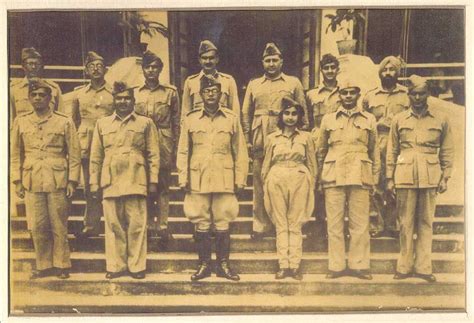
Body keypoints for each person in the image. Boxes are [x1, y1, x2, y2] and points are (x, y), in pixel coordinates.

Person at [177, 76, 249, 281]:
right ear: (200, 94)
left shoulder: (231, 118)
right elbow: (183, 150)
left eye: (214, 90)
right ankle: (204, 264)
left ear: (220, 94)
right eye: (206, 91)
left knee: (223, 221)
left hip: (224, 176)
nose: (210, 94)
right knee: (201, 221)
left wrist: (240, 178)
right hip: (197, 177)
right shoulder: (190, 119)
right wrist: (183, 177)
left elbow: (240, 150)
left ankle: (223, 265)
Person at [89, 81, 160, 279]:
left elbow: (153, 154)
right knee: (113, 226)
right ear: (113, 100)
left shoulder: (145, 123)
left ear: (133, 100)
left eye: (127, 98)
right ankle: (116, 266)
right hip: (110, 180)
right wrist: (94, 182)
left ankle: (137, 266)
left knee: (137, 225)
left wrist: (153, 180)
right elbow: (96, 156)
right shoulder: (102, 124)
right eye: (119, 98)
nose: (123, 102)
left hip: (136, 178)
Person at [11, 79, 81, 279]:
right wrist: (17, 181)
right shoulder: (21, 121)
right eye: (34, 95)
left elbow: (74, 154)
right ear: (29, 98)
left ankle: (61, 265)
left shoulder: (64, 121)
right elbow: (15, 154)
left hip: (57, 178)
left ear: (50, 99)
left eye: (42, 95)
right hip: (32, 179)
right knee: (37, 225)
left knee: (58, 224)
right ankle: (43, 265)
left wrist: (72, 181)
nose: (38, 98)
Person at [387, 75, 454, 283]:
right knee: (405, 223)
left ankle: (424, 267)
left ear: (428, 95)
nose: (417, 97)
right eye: (414, 94)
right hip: (405, 174)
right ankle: (404, 266)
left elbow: (448, 151)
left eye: (421, 93)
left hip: (430, 175)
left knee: (426, 222)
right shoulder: (399, 119)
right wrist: (390, 178)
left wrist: (445, 177)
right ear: (408, 95)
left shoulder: (440, 119)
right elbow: (392, 150)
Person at [242, 42, 309, 240]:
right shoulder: (254, 84)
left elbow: (302, 112)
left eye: (274, 60)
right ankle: (261, 225)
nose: (271, 64)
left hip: (286, 135)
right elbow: (246, 113)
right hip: (260, 135)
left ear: (281, 62)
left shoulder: (293, 83)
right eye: (267, 60)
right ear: (263, 63)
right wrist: (247, 139)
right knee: (260, 180)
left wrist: (302, 136)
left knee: (289, 180)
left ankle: (289, 224)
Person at [317, 76, 380, 280]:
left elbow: (374, 151)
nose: (348, 96)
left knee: (359, 223)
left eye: (352, 92)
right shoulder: (328, 119)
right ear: (339, 95)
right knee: (334, 223)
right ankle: (335, 266)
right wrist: (319, 177)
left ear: (358, 94)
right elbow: (321, 150)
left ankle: (358, 265)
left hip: (360, 173)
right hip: (333, 173)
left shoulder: (369, 119)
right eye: (344, 92)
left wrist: (375, 179)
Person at [262, 96, 317, 280]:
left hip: (299, 177)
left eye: (294, 114)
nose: (290, 117)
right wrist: (266, 183)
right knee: (281, 222)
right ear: (281, 115)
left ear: (299, 117)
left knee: (295, 223)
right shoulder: (271, 138)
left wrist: (312, 183)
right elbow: (266, 164)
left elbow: (311, 163)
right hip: (277, 176)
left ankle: (295, 265)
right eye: (287, 113)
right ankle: (283, 265)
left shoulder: (306, 137)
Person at [65, 51, 115, 239]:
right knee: (89, 188)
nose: (95, 69)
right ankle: (91, 224)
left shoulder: (113, 93)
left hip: (108, 144)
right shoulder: (79, 94)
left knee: (110, 185)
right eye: (92, 66)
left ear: (106, 70)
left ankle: (111, 225)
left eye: (99, 66)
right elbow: (74, 121)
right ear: (86, 70)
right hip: (86, 144)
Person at [135, 50, 180, 243]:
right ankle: (146, 225)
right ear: (143, 69)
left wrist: (175, 147)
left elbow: (176, 122)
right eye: (148, 67)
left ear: (160, 69)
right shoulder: (135, 92)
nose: (151, 70)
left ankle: (162, 226)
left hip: (163, 140)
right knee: (144, 185)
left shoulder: (170, 92)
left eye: (155, 67)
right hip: (142, 142)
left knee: (162, 186)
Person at [363, 56, 410, 239]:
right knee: (375, 182)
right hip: (378, 141)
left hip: (399, 143)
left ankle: (393, 224)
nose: (388, 73)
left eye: (392, 70)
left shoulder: (406, 95)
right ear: (380, 72)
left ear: (397, 73)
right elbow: (364, 120)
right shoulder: (370, 96)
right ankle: (377, 224)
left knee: (395, 183)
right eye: (385, 70)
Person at [305, 53, 341, 237]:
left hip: (337, 142)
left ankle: (335, 224)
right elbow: (307, 120)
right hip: (317, 140)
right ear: (321, 71)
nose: (329, 71)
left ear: (337, 69)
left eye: (332, 67)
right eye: (326, 68)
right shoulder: (311, 94)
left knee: (335, 181)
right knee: (317, 179)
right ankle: (319, 222)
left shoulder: (344, 92)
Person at [181, 40, 240, 119]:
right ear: (199, 60)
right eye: (204, 58)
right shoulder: (191, 82)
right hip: (199, 128)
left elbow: (235, 112)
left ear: (217, 59)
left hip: (222, 127)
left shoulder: (228, 81)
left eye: (211, 58)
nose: (208, 61)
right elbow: (185, 113)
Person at [10, 47, 63, 123]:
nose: (34, 67)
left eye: (37, 64)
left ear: (42, 66)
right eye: (30, 64)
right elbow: (11, 120)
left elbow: (61, 116)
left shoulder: (54, 88)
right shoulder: (14, 89)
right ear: (23, 66)